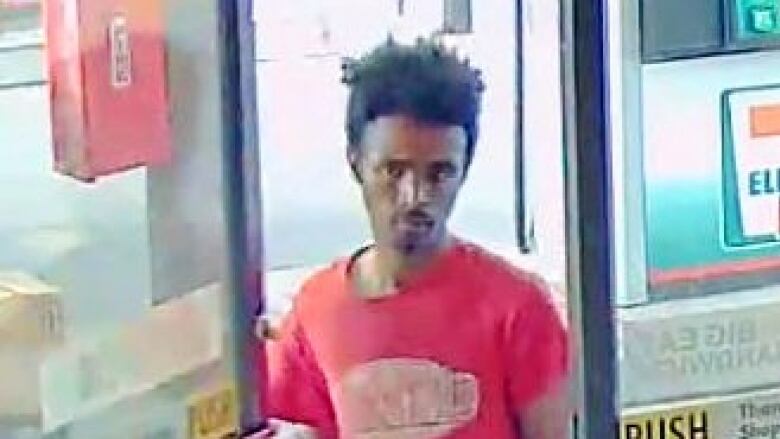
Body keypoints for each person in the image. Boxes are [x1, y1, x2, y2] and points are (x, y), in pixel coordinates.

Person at [253, 38, 570, 439]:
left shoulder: (519, 309)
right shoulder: (316, 314)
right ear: (357, 164)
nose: (415, 196)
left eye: (439, 173)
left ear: (464, 169)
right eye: (393, 170)